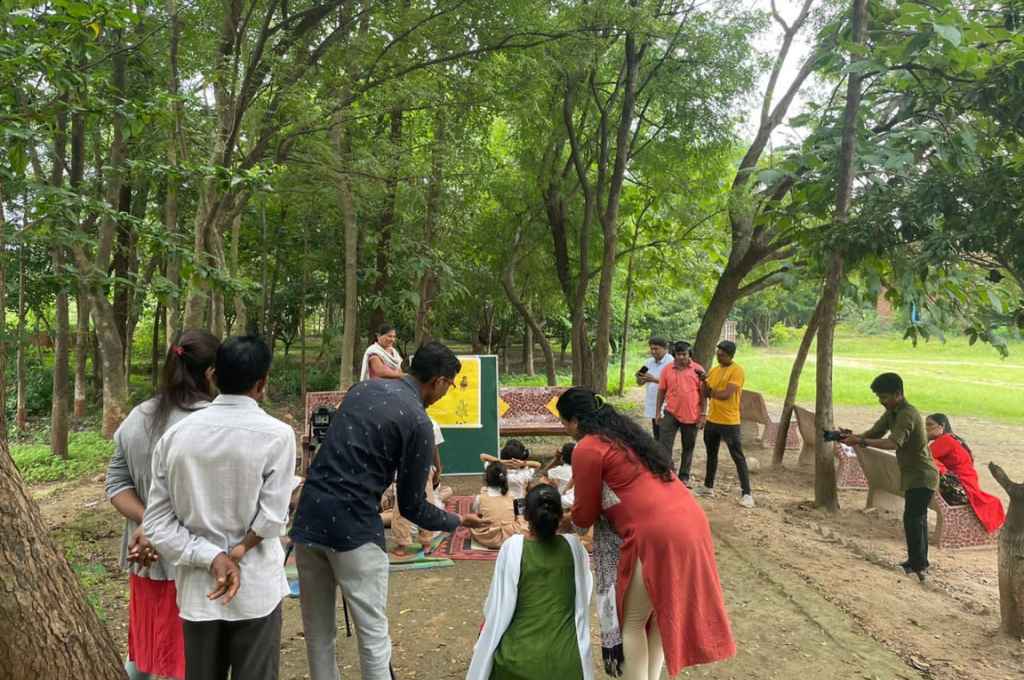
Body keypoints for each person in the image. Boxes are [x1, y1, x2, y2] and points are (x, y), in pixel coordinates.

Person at [290, 341, 488, 680]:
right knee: (372, 636)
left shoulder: (361, 390)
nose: (446, 392)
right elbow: (412, 506)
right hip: (354, 532)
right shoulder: (418, 422)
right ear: (439, 381)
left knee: (318, 633)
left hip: (308, 520)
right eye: (450, 385)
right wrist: (457, 520)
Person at [557, 387, 735, 680]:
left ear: (576, 420)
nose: (565, 430)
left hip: (658, 533)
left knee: (633, 621)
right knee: (655, 618)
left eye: (564, 423)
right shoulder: (626, 436)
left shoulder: (588, 447)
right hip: (690, 523)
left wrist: (565, 522)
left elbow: (584, 515)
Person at [143, 335, 294, 680]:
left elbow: (157, 523)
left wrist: (212, 557)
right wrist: (237, 552)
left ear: (213, 375)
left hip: (200, 592)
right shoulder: (277, 435)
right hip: (255, 588)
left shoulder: (176, 438)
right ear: (262, 382)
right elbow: (271, 518)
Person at [106, 330, 220, 680]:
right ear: (212, 373)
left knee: (143, 653)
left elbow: (117, 484)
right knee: (182, 661)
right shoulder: (212, 423)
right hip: (192, 561)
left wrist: (147, 520)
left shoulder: (137, 417)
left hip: (145, 559)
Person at [467, 483, 593, 680]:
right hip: (568, 665)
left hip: (516, 662)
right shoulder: (576, 549)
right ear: (561, 515)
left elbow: (496, 607)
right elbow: (584, 597)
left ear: (526, 516)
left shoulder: (513, 548)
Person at [840, 373, 939, 581]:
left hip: (923, 474)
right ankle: (917, 562)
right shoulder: (892, 412)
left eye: (884, 397)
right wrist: (853, 437)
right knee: (914, 518)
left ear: (898, 394)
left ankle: (918, 564)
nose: (881, 401)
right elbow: (875, 432)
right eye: (879, 397)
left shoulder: (907, 414)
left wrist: (861, 442)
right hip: (913, 474)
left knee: (914, 518)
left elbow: (893, 443)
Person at [694, 340, 754, 508]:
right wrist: (704, 381)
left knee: (737, 457)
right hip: (713, 419)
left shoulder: (737, 371)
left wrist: (710, 390)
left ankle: (747, 493)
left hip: (729, 421)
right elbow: (706, 394)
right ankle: (708, 486)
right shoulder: (714, 370)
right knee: (711, 454)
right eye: (717, 353)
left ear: (730, 355)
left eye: (722, 354)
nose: (718, 356)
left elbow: (725, 394)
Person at [926, 413, 1005, 533]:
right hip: (963, 486)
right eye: (926, 425)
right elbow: (924, 456)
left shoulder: (945, 440)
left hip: (962, 486)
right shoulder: (952, 438)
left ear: (942, 426)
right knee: (994, 501)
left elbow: (922, 455)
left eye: (930, 425)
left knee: (992, 501)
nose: (926, 428)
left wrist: (926, 439)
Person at [390, 417, 447, 555]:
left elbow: (434, 449)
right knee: (423, 504)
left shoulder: (400, 420)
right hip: (419, 469)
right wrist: (438, 469)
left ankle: (405, 543)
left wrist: (438, 469)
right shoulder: (431, 422)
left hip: (411, 468)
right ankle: (424, 542)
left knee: (402, 506)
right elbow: (434, 450)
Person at [655, 341, 706, 486]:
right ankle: (667, 472)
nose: (682, 357)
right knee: (664, 445)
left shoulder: (698, 370)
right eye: (679, 354)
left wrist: (703, 414)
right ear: (674, 355)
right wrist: (657, 411)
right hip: (670, 413)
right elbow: (661, 391)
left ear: (689, 354)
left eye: (684, 354)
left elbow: (704, 394)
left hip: (691, 415)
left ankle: (684, 476)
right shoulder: (667, 369)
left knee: (688, 446)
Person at [470, 462, 528, 549]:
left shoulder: (480, 498)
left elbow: (476, 513)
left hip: (487, 537)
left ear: (486, 479)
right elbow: (519, 514)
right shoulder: (513, 496)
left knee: (472, 520)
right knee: (522, 516)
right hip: (510, 536)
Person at [635, 337, 671, 440]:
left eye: (656, 349)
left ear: (665, 349)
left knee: (664, 434)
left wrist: (654, 379)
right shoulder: (648, 362)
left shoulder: (671, 362)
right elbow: (639, 383)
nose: (653, 351)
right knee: (656, 432)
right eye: (651, 349)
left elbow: (674, 384)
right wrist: (640, 378)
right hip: (653, 402)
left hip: (667, 403)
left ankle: (664, 454)